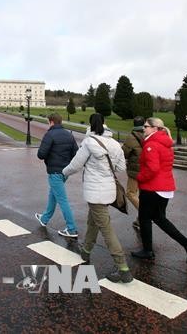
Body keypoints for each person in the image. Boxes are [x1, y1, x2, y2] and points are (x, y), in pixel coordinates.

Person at [62, 113, 132, 283]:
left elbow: (75, 164)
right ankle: (86, 251)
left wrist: (63, 173)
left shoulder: (88, 142)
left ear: (90, 125)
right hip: (108, 190)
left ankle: (123, 268)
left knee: (106, 228)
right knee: (92, 220)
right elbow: (121, 167)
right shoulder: (115, 144)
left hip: (95, 191)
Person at [131, 117, 187, 264]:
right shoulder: (165, 142)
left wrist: (139, 177)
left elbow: (153, 168)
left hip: (152, 188)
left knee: (144, 219)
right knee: (159, 219)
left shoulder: (151, 145)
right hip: (165, 188)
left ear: (155, 128)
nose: (143, 129)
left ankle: (148, 251)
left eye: (146, 126)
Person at [35, 112, 79, 238]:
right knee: (53, 194)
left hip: (55, 171)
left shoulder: (49, 134)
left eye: (48, 122)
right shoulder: (69, 135)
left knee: (62, 200)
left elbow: (41, 155)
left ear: (51, 122)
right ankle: (44, 218)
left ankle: (71, 229)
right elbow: (75, 154)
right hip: (65, 172)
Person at [121, 116, 145, 230]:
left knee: (130, 193)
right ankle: (140, 220)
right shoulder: (149, 135)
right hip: (147, 169)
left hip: (135, 171)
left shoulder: (131, 137)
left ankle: (145, 214)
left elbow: (124, 153)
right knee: (142, 195)